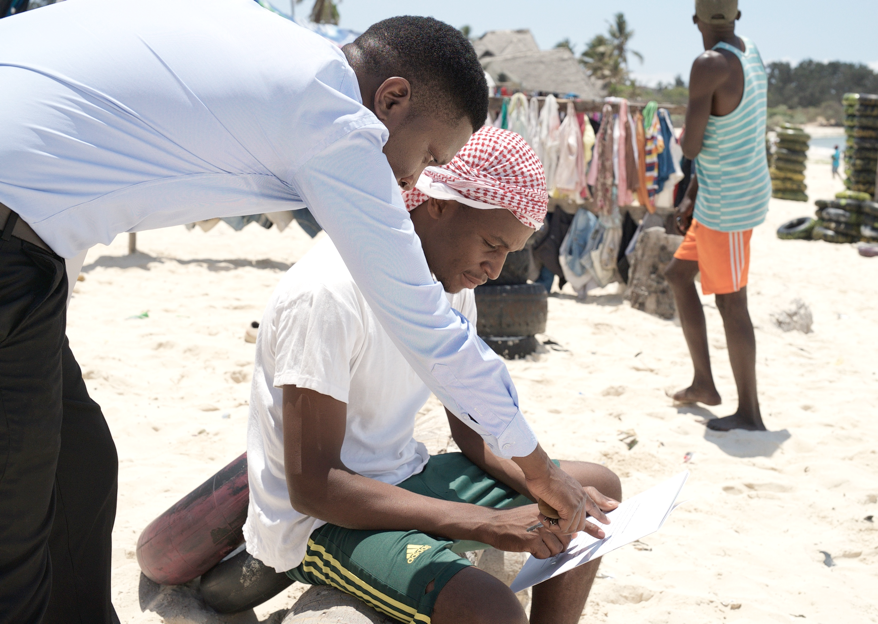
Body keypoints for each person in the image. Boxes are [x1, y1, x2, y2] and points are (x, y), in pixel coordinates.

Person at [0, 1, 599, 621]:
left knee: (82, 469)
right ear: (391, 100)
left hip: (31, 248)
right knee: (14, 512)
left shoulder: (279, 60)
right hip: (10, 244)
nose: (413, 179)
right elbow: (424, 327)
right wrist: (535, 469)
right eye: (426, 156)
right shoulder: (333, 121)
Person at [245, 127, 621, 624]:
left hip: (404, 477)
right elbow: (314, 487)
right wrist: (489, 523)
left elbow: (470, 430)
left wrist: (547, 489)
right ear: (437, 204)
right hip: (323, 519)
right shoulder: (328, 291)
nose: (494, 269)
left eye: (508, 252)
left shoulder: (450, 281)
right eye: (490, 243)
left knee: (590, 489)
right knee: (493, 610)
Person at [664, 0, 771, 432]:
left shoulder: (708, 64)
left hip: (728, 202)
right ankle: (704, 383)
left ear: (696, 20)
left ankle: (750, 413)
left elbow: (691, 147)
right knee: (677, 275)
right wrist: (692, 190)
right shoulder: (752, 51)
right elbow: (730, 133)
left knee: (731, 301)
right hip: (729, 190)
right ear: (737, 16)